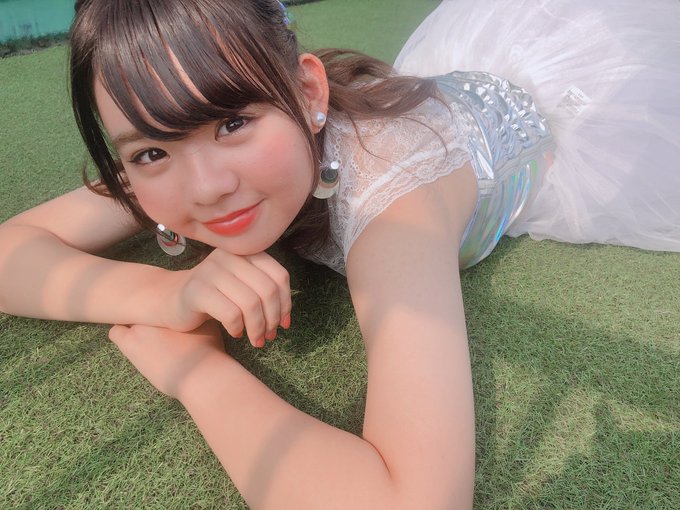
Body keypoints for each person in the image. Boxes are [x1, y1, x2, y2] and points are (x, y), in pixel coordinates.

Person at [0, 0, 678, 508]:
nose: (205, 187)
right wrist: (169, 296)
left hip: (545, 115)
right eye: (151, 151)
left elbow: (415, 501)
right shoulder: (184, 159)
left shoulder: (393, 203)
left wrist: (196, 372)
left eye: (232, 123)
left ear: (308, 95)